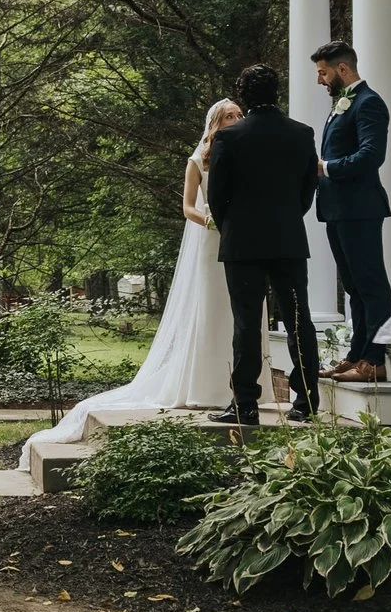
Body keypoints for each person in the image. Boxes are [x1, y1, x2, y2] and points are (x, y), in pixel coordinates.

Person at [30, 100, 243, 446]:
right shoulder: (198, 161)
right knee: (210, 311)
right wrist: (209, 220)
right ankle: (207, 386)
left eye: (239, 114)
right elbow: (187, 206)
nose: (236, 119)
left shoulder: (245, 154)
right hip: (210, 241)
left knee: (238, 313)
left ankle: (241, 386)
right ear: (215, 123)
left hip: (241, 240)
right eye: (229, 116)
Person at [206, 63, 324, 425]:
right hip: (288, 239)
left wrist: (233, 226)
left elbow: (217, 197)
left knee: (245, 323)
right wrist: (287, 217)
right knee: (299, 320)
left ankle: (245, 405)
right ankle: (305, 403)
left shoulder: (229, 138)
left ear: (243, 95)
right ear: (277, 92)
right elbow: (308, 188)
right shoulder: (301, 133)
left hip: (242, 243)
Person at [312, 40, 391, 383]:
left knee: (371, 285)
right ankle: (356, 355)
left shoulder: (369, 102)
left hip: (360, 208)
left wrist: (325, 168)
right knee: (354, 287)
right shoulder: (342, 104)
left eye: (323, 72)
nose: (319, 79)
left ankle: (374, 360)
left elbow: (371, 155)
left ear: (342, 69)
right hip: (337, 210)